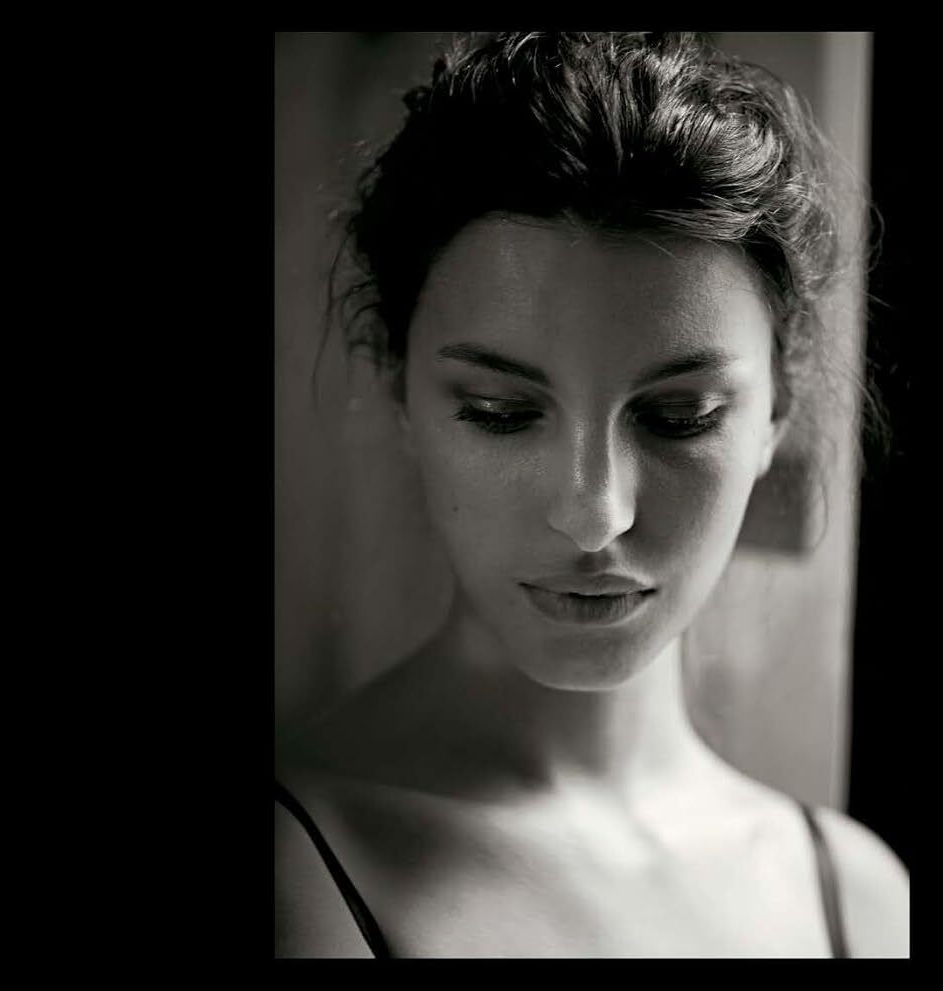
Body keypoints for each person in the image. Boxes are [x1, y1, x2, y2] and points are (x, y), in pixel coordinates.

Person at [275, 32, 909, 958]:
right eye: (500, 412)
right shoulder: (301, 868)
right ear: (398, 390)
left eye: (680, 417)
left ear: (778, 413)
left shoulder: (859, 897)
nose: (594, 512)